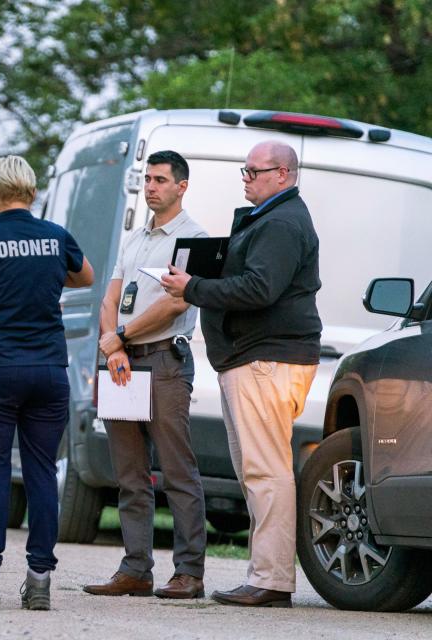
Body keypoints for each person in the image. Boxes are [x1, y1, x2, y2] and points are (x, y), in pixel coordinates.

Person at [162, 141, 321, 608]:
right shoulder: (271, 219)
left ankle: (271, 580)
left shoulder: (283, 222)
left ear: (284, 175)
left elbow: (260, 287)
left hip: (267, 361)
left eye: (255, 171)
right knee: (257, 470)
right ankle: (265, 574)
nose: (246, 177)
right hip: (252, 359)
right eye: (244, 170)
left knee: (266, 472)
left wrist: (193, 286)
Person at [0, 155, 94, 611]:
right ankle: (40, 580)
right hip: (48, 368)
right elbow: (84, 276)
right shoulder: (55, 236)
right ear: (33, 193)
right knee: (42, 473)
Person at [83, 150, 208, 600]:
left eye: (160, 180)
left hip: (164, 363)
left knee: (177, 472)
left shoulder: (193, 238)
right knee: (129, 473)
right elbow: (109, 298)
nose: (151, 187)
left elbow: (177, 303)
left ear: (181, 186)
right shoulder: (134, 239)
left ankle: (189, 573)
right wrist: (115, 346)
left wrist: (120, 336)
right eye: (147, 180)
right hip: (123, 363)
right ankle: (135, 568)